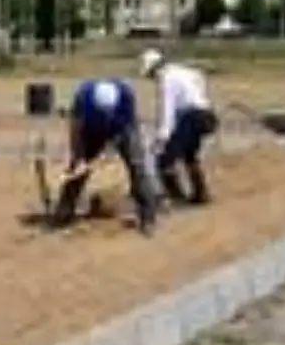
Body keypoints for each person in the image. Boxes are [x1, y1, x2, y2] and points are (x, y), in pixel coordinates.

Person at [54, 78, 159, 235]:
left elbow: (127, 127)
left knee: (137, 165)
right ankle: (65, 210)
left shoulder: (126, 96)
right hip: (92, 130)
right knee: (77, 167)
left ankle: (147, 216)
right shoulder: (83, 96)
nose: (106, 114)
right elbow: (75, 127)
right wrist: (79, 155)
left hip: (122, 130)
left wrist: (109, 150)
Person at [140, 48, 218, 207]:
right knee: (189, 154)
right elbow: (200, 76)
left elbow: (167, 111)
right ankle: (201, 194)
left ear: (154, 69)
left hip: (192, 117)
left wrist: (161, 139)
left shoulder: (166, 79)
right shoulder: (183, 71)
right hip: (206, 114)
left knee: (164, 160)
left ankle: (177, 199)